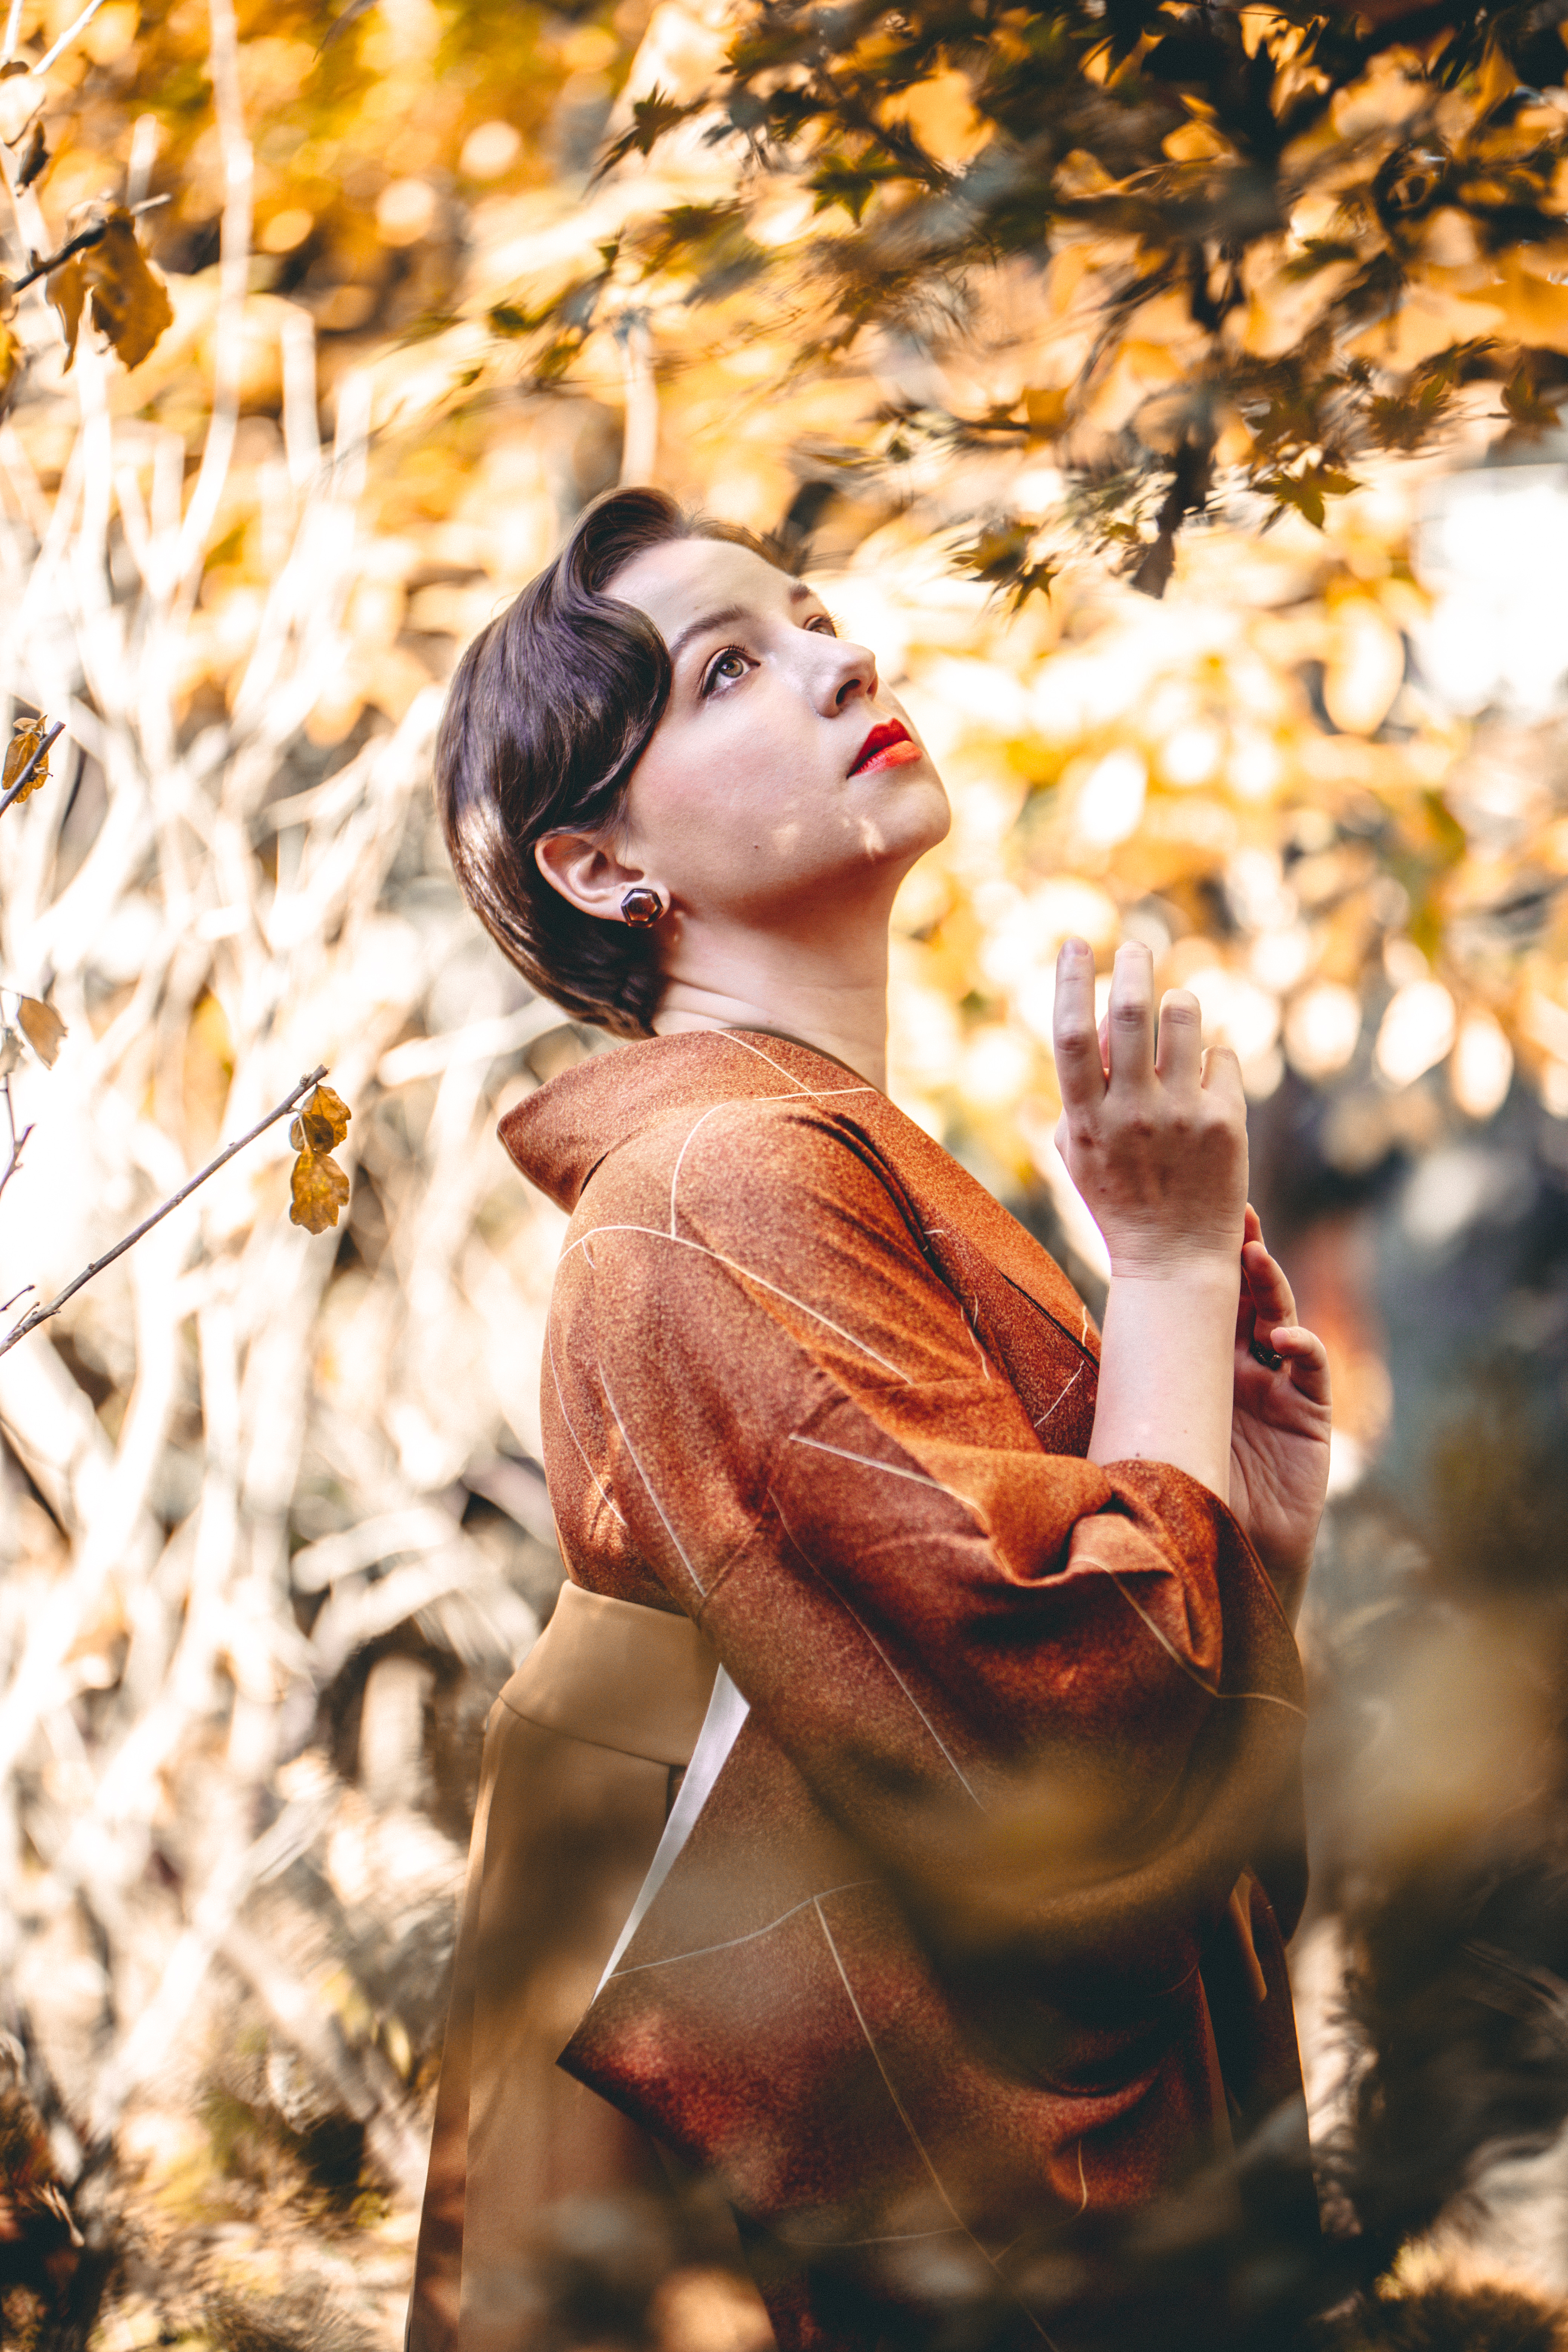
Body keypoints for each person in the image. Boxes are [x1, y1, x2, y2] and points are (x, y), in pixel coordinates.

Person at [407, 486, 1333, 2352]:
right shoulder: (718, 1191)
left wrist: (1246, 1537)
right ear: (600, 869)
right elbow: (1072, 1766)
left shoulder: (793, 1166)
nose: (842, 658)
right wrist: (1155, 1273)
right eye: (729, 667)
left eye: (814, 616)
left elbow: (1110, 1753)